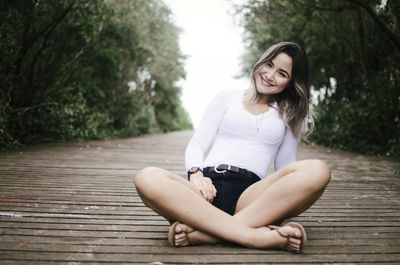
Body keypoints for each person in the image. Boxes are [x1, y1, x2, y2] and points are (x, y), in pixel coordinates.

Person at [134, 42, 331, 253]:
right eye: (269, 64)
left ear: (291, 82)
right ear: (261, 62)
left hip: (250, 196)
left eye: (282, 73)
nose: (270, 75)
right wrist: (196, 174)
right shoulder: (228, 97)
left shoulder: (291, 114)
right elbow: (198, 143)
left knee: (319, 170)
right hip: (204, 192)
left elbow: (285, 167)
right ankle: (254, 236)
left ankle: (205, 234)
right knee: (147, 177)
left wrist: (288, 196)